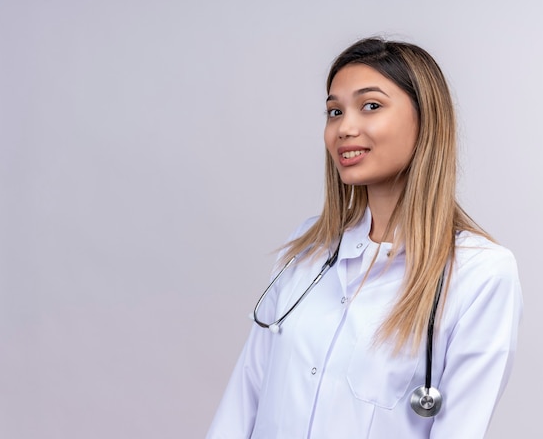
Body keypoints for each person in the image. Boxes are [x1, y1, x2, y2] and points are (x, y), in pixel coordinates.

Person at [206, 37, 522, 438]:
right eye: (334, 111)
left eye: (370, 106)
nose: (344, 128)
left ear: (426, 120)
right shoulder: (308, 248)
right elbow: (244, 398)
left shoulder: (480, 274)